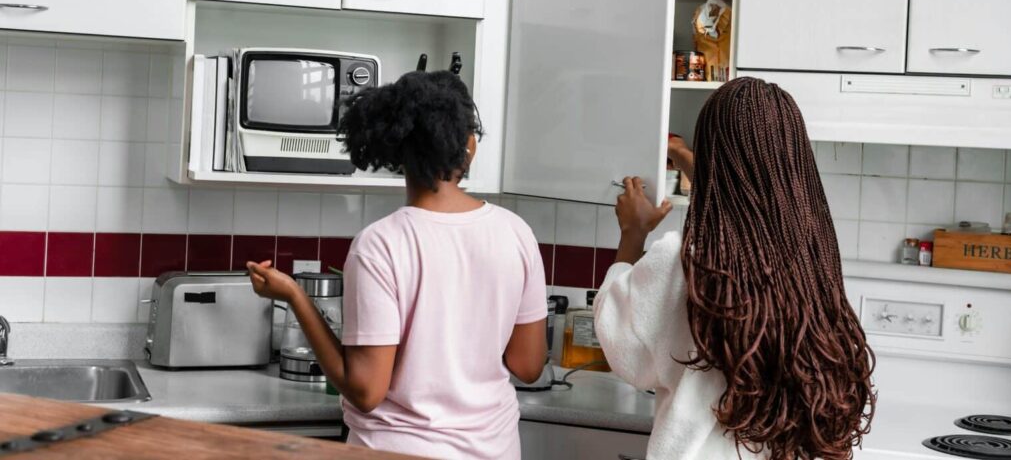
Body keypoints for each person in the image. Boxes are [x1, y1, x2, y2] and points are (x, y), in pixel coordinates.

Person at [247, 71, 549, 459]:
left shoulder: (380, 245)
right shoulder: (516, 232)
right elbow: (528, 365)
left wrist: (293, 294)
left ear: (395, 151)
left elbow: (366, 391)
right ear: (469, 146)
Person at [595, 77, 875, 460]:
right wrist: (686, 157)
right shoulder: (810, 256)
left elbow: (623, 349)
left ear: (711, 154)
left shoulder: (683, 259)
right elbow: (747, 197)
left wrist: (633, 234)